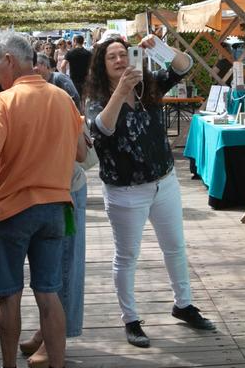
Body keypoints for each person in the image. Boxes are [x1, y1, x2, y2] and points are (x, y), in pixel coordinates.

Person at [0, 32, 85, 368]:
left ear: (9, 61)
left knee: (10, 294)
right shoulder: (63, 98)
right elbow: (82, 153)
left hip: (13, 209)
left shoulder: (2, 103)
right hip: (56, 208)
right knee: (49, 293)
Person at [84, 33, 214, 347]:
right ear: (102, 66)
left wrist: (159, 46)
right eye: (111, 57)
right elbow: (102, 129)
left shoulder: (149, 85)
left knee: (175, 247)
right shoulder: (96, 100)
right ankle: (130, 318)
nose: (119, 60)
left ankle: (183, 304)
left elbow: (184, 67)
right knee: (127, 256)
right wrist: (122, 91)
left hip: (164, 182)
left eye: (123, 54)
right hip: (126, 191)